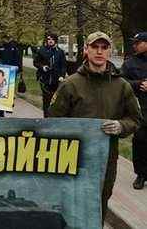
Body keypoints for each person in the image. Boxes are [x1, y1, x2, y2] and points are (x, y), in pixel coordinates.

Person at [49, 31, 141, 221]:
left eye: (104, 47)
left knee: (99, 202)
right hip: (73, 157)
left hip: (106, 158)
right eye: (94, 47)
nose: (99, 51)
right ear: (86, 50)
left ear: (110, 51)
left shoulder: (122, 86)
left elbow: (135, 119)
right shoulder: (71, 84)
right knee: (70, 203)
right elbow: (53, 121)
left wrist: (121, 126)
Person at [121, 31, 147, 190]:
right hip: (140, 109)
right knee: (140, 141)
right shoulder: (130, 63)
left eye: (138, 43)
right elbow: (121, 82)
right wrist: (139, 84)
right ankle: (141, 174)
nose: (134, 46)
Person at [33, 33, 67, 115]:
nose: (50, 41)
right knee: (46, 100)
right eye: (49, 39)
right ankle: (46, 118)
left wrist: (62, 76)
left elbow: (63, 66)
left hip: (56, 80)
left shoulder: (60, 52)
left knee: (56, 101)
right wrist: (42, 67)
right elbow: (36, 62)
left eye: (52, 39)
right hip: (45, 80)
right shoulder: (42, 50)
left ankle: (54, 117)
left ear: (55, 41)